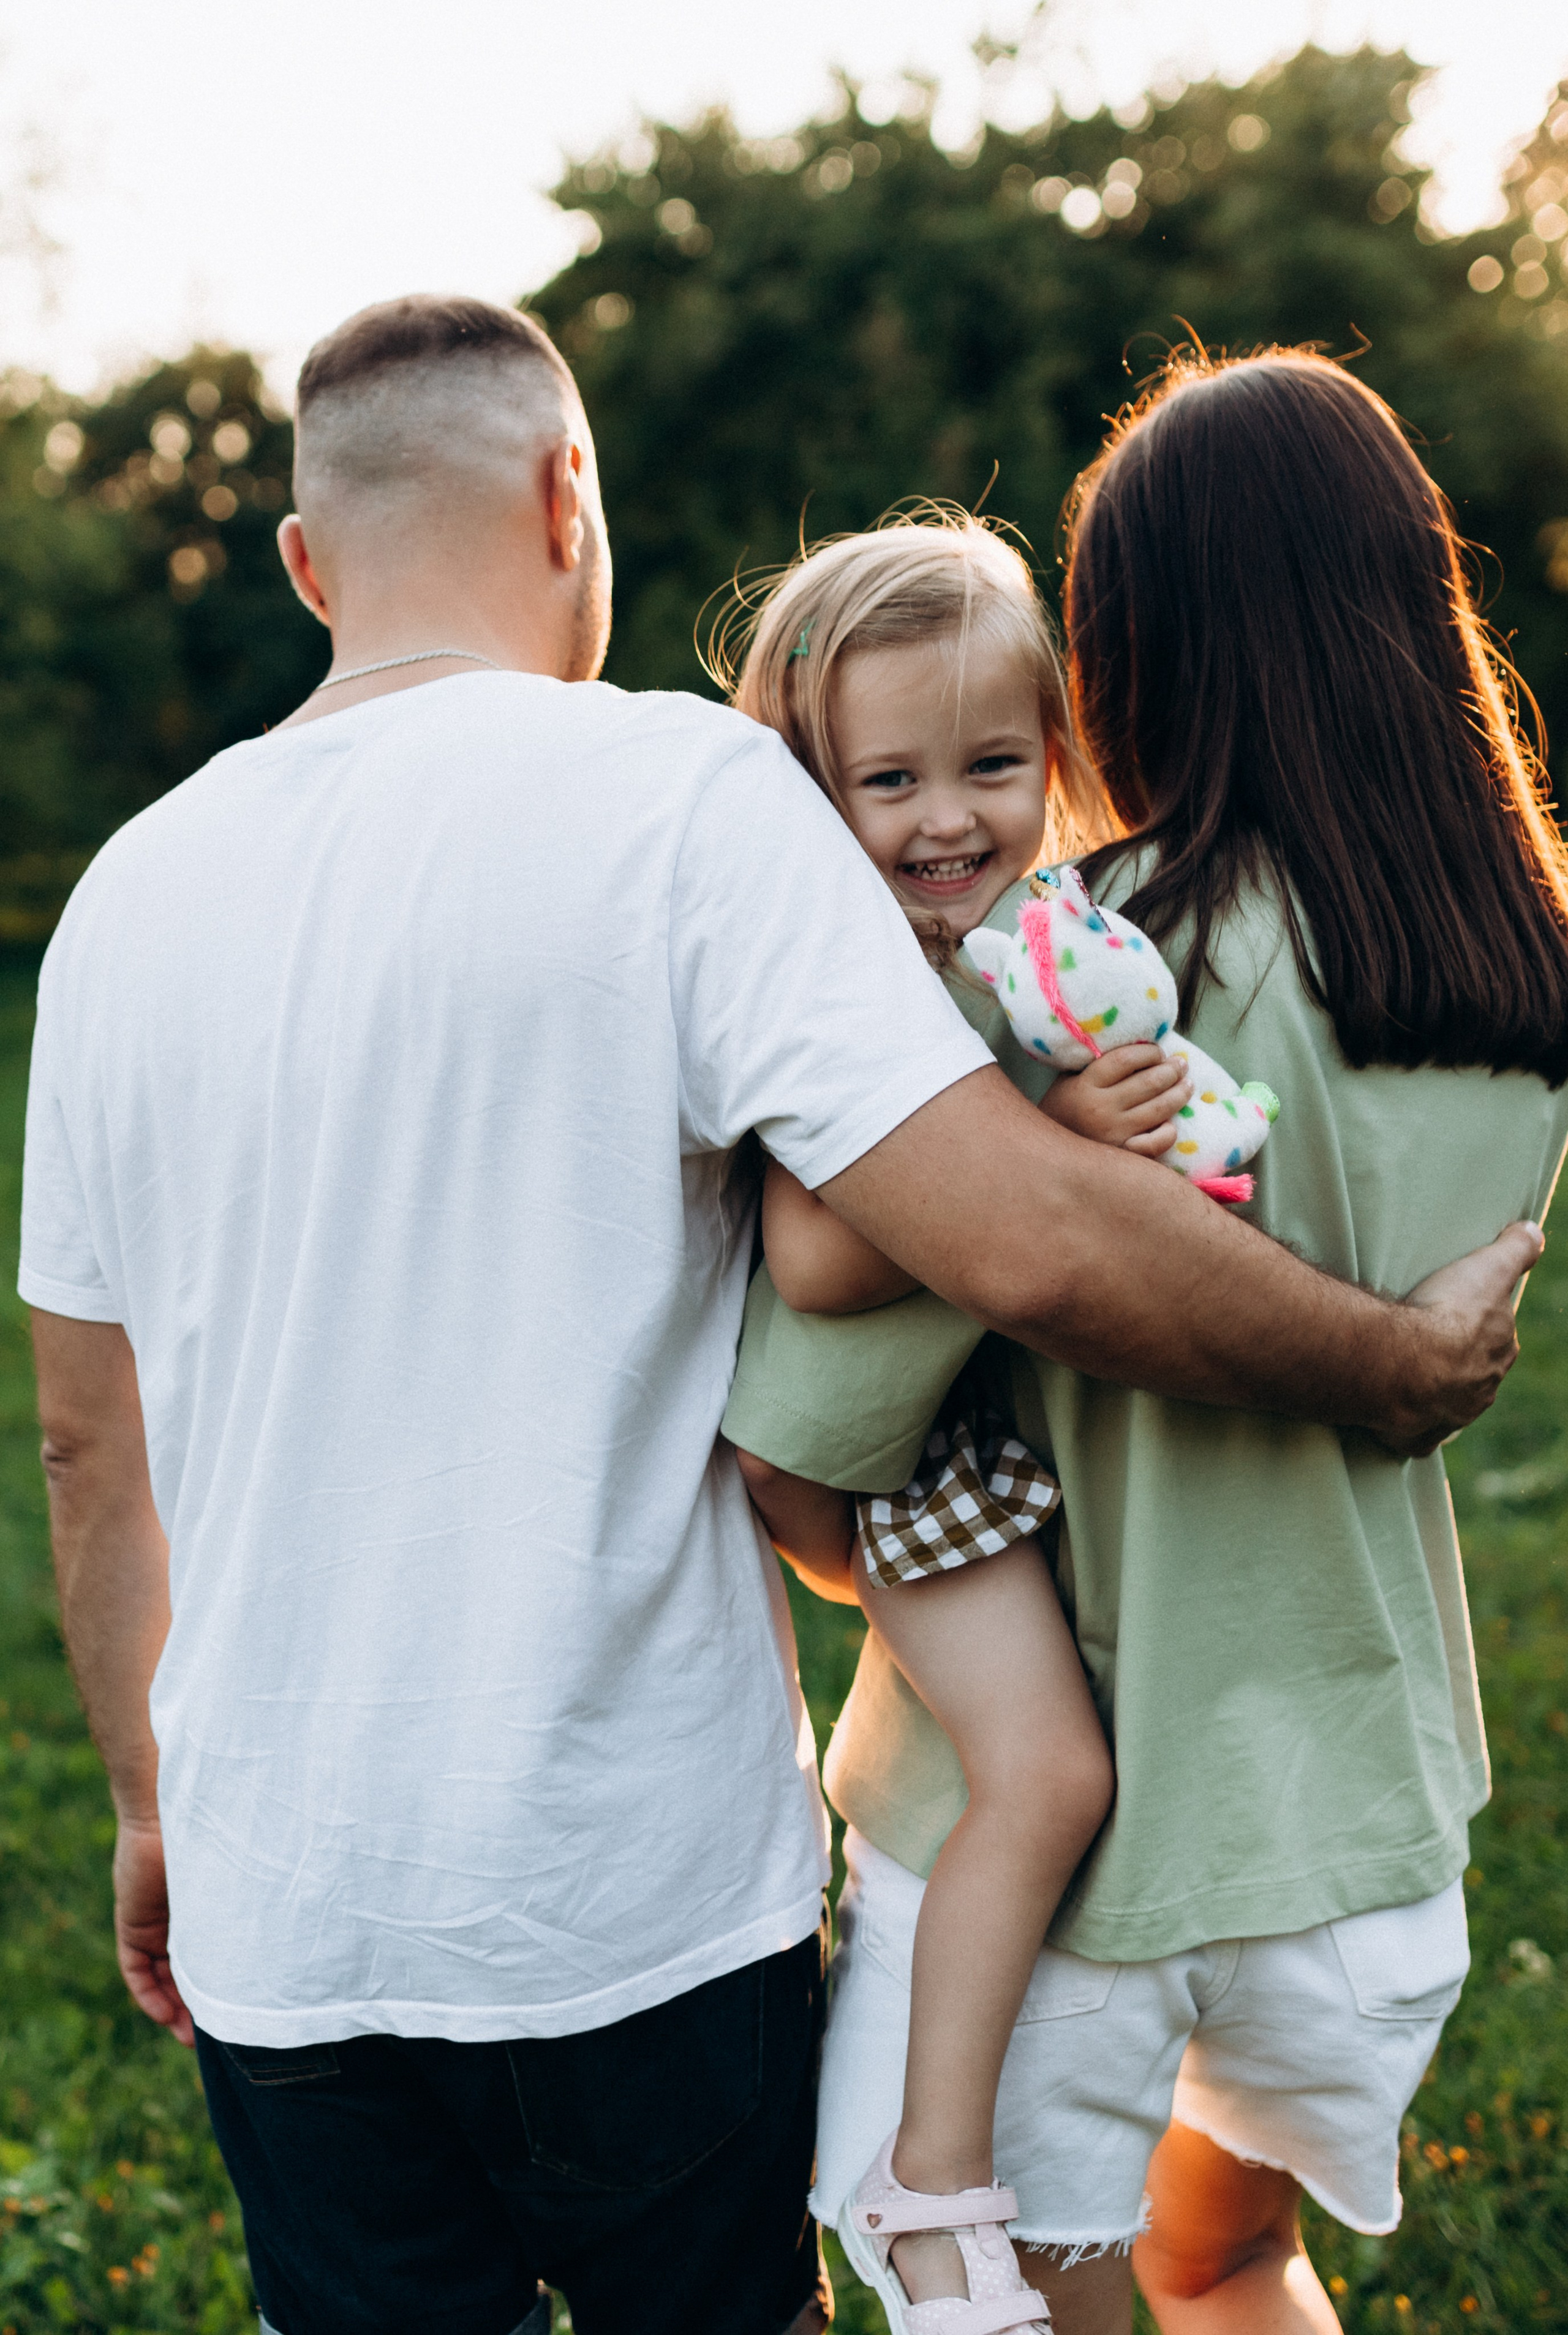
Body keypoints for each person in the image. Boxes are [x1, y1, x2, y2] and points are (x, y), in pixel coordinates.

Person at [20, 293, 1537, 2335]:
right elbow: (1025, 1237)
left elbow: (87, 1445)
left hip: (287, 1905)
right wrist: (1403, 1362)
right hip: (632, 1893)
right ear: (574, 499)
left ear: (305, 560)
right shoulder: (677, 797)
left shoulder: (122, 898)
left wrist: (143, 1803)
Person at [720, 348, 1568, 2335]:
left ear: (1131, 647)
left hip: (1079, 1846)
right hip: (1359, 1807)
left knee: (1030, 2276)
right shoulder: (1523, 961)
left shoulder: (1071, 963)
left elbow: (806, 1432)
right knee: (1234, 2255)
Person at [721, 516, 1199, 2335]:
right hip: (921, 1464)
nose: (946, 819)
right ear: (810, 792)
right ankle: (934, 2175)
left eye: (993, 765)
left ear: (1056, 760)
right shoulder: (850, 981)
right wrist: (1052, 1138)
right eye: (888, 778)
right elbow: (823, 1250)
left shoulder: (1020, 948)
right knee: (1051, 1773)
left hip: (979, 1443)